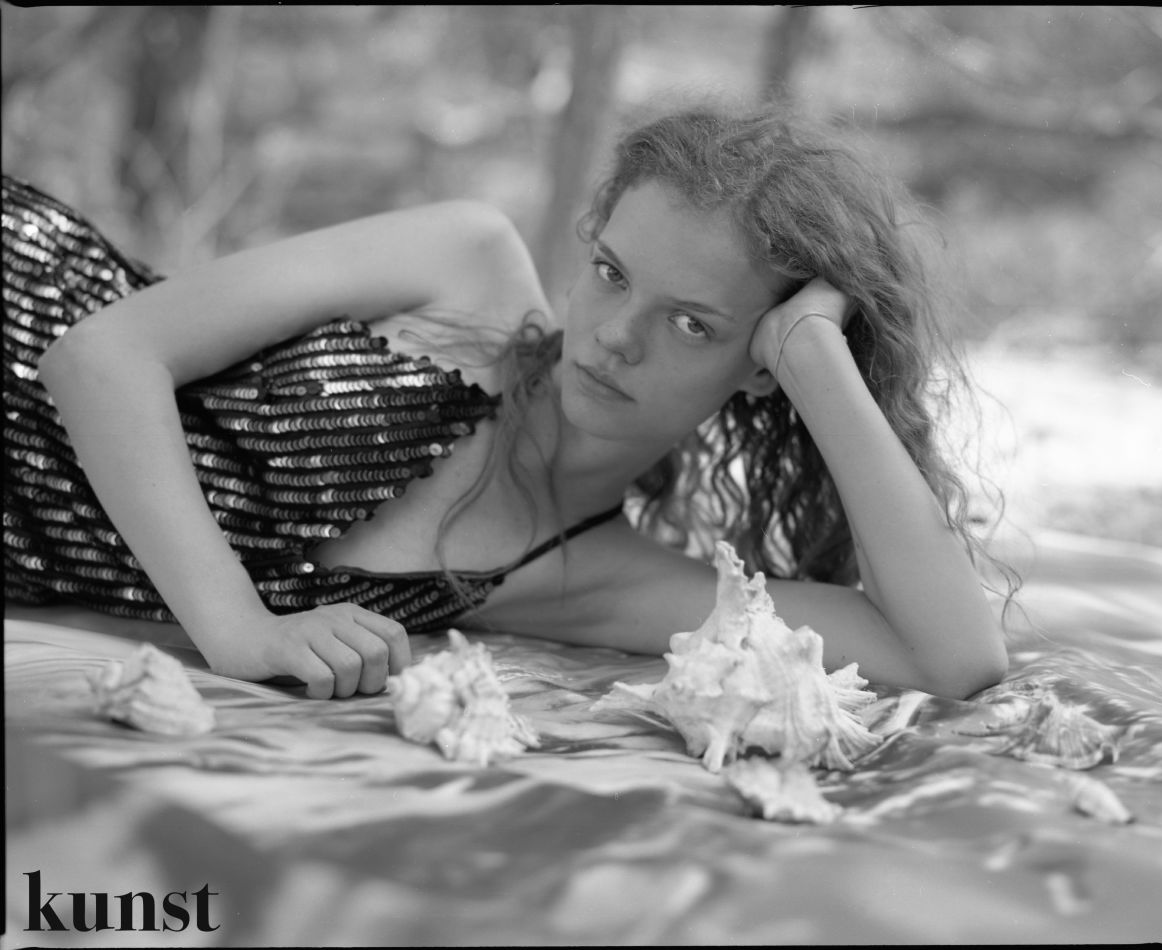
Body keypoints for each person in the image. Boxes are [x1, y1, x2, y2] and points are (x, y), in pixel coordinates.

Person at [3, 97, 1015, 703]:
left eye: (689, 323)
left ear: (755, 365)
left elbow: (950, 657)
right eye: (611, 273)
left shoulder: (591, 578)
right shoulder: (463, 265)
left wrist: (815, 361)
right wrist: (239, 628)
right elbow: (101, 355)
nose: (613, 336)